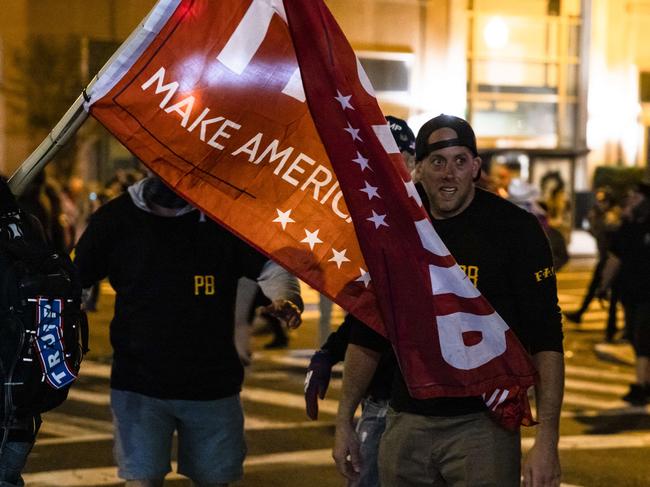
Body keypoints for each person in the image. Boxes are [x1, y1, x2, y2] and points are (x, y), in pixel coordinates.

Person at [333, 114, 564, 487]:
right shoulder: (397, 229)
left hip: (483, 426)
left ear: (476, 166)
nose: (449, 173)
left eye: (460, 161)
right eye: (437, 162)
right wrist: (345, 418)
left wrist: (547, 440)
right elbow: (369, 332)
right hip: (406, 420)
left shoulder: (514, 230)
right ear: (418, 168)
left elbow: (546, 337)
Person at [74, 174, 303, 487]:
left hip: (212, 385)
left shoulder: (223, 217)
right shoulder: (116, 219)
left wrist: (286, 298)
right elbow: (74, 280)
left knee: (215, 479)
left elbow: (271, 265)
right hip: (138, 386)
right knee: (142, 479)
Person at [304, 115, 417, 487]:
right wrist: (330, 351)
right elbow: (372, 313)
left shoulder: (435, 224)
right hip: (381, 396)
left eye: (398, 157)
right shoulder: (372, 224)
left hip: (435, 408)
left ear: (413, 162)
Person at [597, 181, 650, 404]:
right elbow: (614, 259)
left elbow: (614, 260)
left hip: (643, 296)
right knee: (639, 339)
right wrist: (603, 286)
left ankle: (641, 385)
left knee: (643, 339)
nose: (631, 201)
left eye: (636, 197)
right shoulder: (627, 227)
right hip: (632, 295)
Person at [564, 187, 622, 341]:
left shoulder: (613, 215)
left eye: (603, 201)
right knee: (597, 289)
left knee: (613, 293)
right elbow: (594, 231)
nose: (600, 203)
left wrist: (597, 219)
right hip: (605, 257)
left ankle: (611, 328)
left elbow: (608, 229)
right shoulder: (599, 214)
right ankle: (585, 315)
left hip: (613, 259)